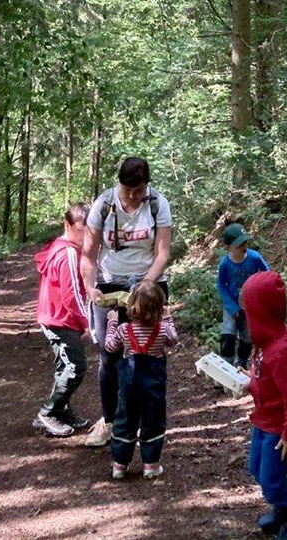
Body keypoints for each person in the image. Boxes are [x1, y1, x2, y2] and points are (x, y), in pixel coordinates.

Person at [81, 156, 173, 447]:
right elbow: (89, 253)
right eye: (128, 190)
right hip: (110, 285)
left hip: (149, 284)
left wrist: (147, 282)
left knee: (150, 353)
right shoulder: (103, 205)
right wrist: (90, 287)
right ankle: (109, 421)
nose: (133, 197)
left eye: (139, 191)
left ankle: (149, 426)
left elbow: (162, 252)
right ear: (119, 183)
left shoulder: (158, 204)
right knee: (109, 355)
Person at [240, 271, 287, 540]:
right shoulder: (265, 342)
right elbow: (264, 379)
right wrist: (250, 381)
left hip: (278, 430)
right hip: (262, 420)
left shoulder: (279, 351)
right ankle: (280, 504)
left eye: (249, 309)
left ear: (261, 312)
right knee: (257, 468)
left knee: (271, 478)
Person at [104, 281, 178, 480]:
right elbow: (173, 340)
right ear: (159, 308)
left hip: (129, 386)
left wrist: (112, 323)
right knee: (153, 421)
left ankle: (119, 465)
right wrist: (168, 320)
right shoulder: (162, 330)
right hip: (153, 385)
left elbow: (110, 347)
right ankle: (150, 466)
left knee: (125, 420)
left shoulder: (124, 330)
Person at [32, 203, 92, 437]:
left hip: (57, 318)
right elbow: (71, 294)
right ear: (67, 225)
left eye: (88, 230)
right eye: (81, 229)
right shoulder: (67, 252)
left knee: (64, 366)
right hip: (60, 320)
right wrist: (86, 322)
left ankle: (61, 409)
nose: (85, 235)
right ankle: (47, 413)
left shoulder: (65, 247)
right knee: (76, 368)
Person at [217, 223, 270, 370]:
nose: (243, 246)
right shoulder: (225, 264)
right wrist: (232, 308)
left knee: (247, 336)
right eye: (239, 244)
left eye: (245, 242)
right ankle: (225, 366)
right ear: (229, 247)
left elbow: (267, 274)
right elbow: (221, 286)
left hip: (250, 305)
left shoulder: (254, 257)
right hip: (232, 305)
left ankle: (241, 362)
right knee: (228, 333)